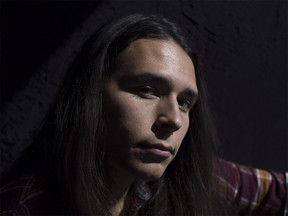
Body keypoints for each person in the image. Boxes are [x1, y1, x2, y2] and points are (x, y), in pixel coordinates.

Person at [0, 14, 287, 216]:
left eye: (186, 102)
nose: (173, 119)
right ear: (91, 96)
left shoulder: (187, 180)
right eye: (148, 90)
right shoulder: (24, 207)